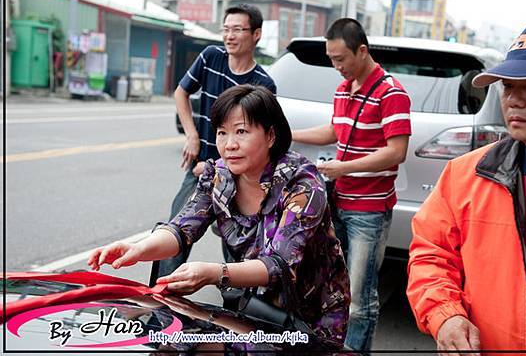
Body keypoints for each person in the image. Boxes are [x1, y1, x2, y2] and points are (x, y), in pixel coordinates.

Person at [88, 85, 350, 350]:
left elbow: (279, 265)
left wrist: (214, 274)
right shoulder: (218, 176)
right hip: (253, 307)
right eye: (222, 133)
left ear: (270, 135)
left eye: (241, 131)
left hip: (313, 313)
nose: (229, 144)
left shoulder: (302, 183)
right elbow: (181, 229)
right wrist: (138, 248)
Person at [406, 21, 526, 354]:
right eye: (507, 86)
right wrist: (445, 315)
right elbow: (430, 256)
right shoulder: (466, 175)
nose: (513, 100)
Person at [292, 18, 411, 351]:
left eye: (340, 58)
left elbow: (396, 152)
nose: (336, 66)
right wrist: (290, 135)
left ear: (362, 50)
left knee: (360, 299)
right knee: (335, 290)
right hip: (339, 205)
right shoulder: (343, 89)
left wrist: (343, 167)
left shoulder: (392, 92)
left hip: (369, 211)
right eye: (331, 59)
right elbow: (335, 131)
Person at [156, 3, 276, 282]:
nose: (229, 35)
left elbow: (254, 143)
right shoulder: (211, 57)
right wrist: (192, 135)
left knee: (237, 251)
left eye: (237, 29)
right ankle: (161, 307)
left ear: (256, 34)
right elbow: (181, 93)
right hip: (198, 170)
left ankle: (237, 316)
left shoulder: (264, 85)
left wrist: (216, 168)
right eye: (226, 29)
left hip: (238, 179)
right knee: (175, 233)